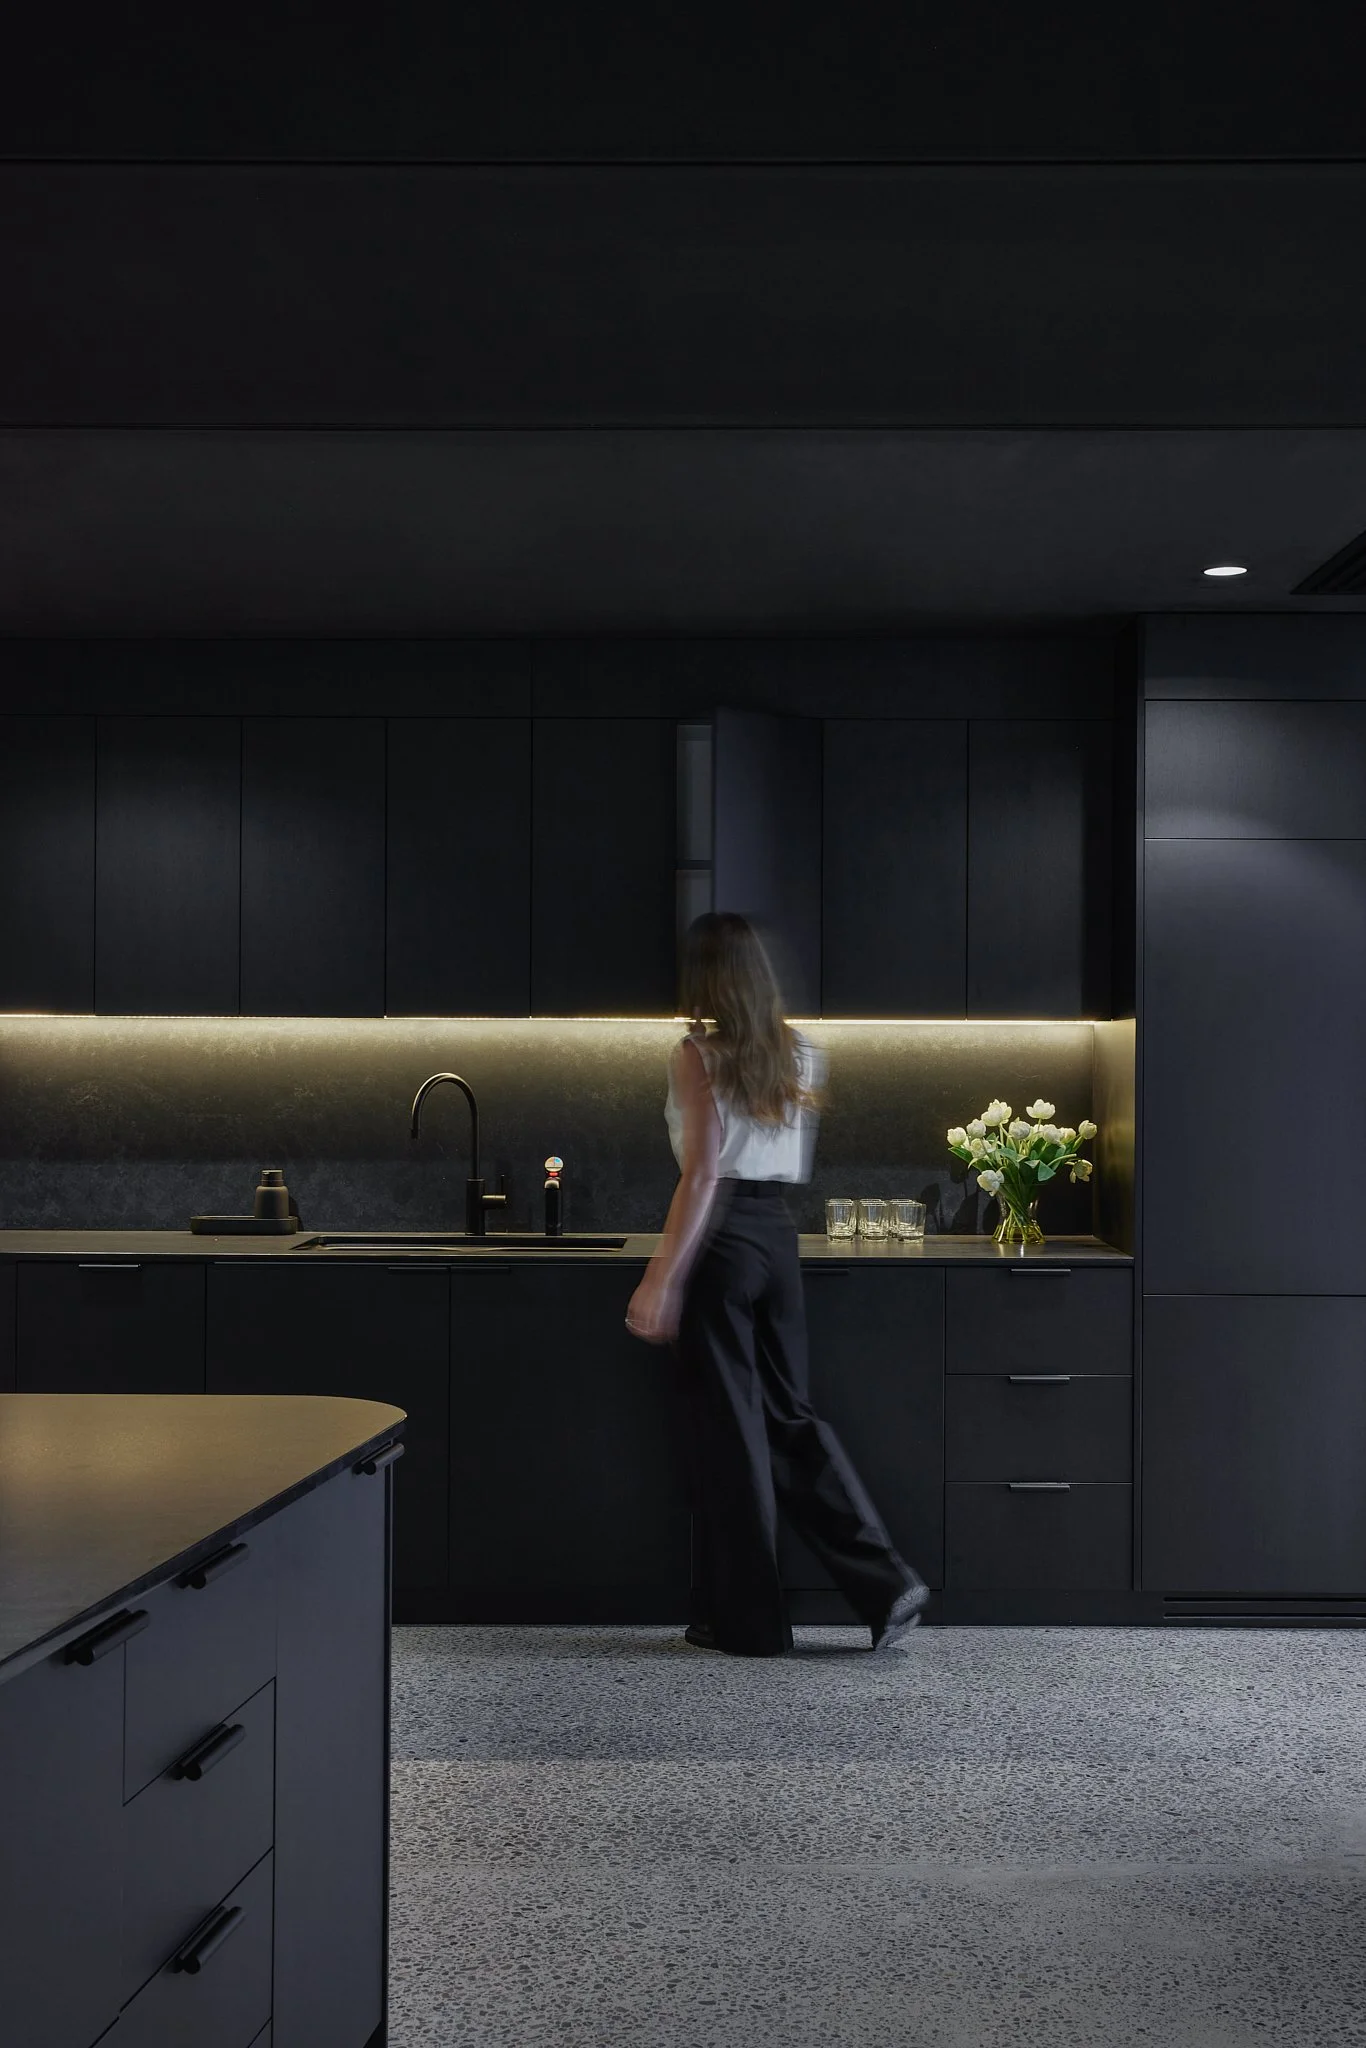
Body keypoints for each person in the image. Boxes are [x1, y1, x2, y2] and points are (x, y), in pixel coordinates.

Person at [625, 911, 928, 1657]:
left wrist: (662, 1278)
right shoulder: (802, 1053)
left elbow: (702, 1174)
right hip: (777, 1236)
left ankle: (751, 1625)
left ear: (706, 978)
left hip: (722, 1238)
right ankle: (884, 1583)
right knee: (790, 1417)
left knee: (731, 1436)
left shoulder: (697, 1053)